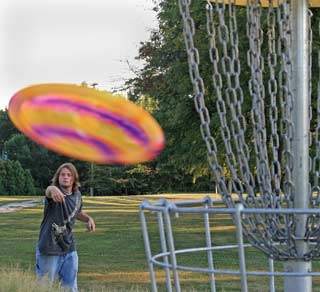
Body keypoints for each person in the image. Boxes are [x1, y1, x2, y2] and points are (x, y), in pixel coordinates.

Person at [36, 162, 95, 292]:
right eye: (62, 175)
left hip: (69, 249)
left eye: (69, 175)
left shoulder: (77, 195)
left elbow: (77, 212)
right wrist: (53, 189)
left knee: (71, 288)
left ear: (74, 178)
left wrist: (88, 219)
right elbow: (48, 192)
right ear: (58, 177)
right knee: (44, 287)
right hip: (49, 248)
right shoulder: (54, 195)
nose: (65, 177)